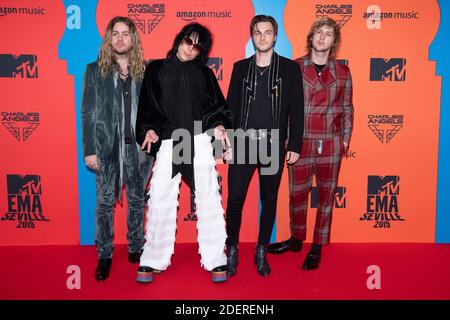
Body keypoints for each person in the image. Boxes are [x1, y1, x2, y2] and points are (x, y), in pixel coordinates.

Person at [135, 23, 233, 283]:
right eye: (188, 41)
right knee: (159, 199)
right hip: (170, 141)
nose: (190, 49)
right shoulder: (155, 69)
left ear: (201, 51)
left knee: (209, 197)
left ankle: (216, 258)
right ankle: (152, 259)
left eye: (197, 46)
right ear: (180, 39)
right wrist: (150, 131)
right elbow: (148, 107)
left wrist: (220, 126)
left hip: (199, 140)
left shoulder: (205, 74)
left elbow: (217, 108)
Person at [267, 17, 354, 271]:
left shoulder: (343, 73)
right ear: (311, 37)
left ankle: (317, 244)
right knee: (296, 196)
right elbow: (282, 108)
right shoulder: (293, 68)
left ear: (333, 41)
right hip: (300, 142)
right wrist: (285, 140)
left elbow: (348, 108)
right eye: (318, 32)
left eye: (328, 33)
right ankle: (296, 239)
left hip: (330, 144)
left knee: (326, 199)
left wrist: (345, 138)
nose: (322, 37)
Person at [225, 15, 304, 277]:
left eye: (267, 32)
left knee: (269, 199)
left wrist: (294, 144)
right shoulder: (239, 68)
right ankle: (232, 247)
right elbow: (230, 109)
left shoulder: (290, 69)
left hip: (273, 145)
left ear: (275, 36)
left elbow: (297, 110)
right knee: (235, 198)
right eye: (257, 32)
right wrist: (225, 144)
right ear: (251, 36)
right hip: (242, 143)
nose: (262, 37)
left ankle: (261, 248)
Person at [81, 16, 153, 281]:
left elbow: (154, 110)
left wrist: (153, 142)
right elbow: (88, 112)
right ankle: (105, 254)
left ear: (133, 39)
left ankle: (136, 248)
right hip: (106, 148)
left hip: (139, 150)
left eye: (126, 34)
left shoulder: (146, 71)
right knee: (104, 203)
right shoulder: (93, 71)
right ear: (108, 40)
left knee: (136, 201)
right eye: (116, 34)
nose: (121, 38)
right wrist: (90, 149)